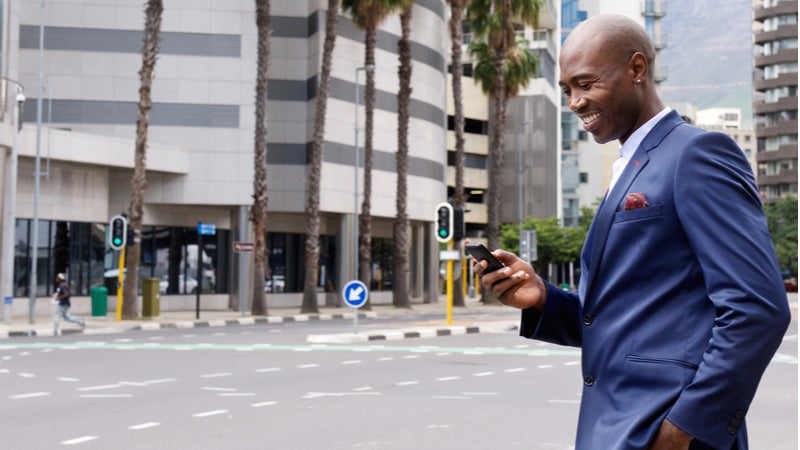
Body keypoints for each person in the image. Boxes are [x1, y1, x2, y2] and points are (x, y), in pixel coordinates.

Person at [475, 14, 790, 450]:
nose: (574, 102)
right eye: (567, 89)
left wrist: (682, 431)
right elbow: (627, 321)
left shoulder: (697, 154)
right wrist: (543, 298)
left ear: (637, 69)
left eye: (586, 83)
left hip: (662, 431)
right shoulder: (630, 165)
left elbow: (757, 310)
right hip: (614, 428)